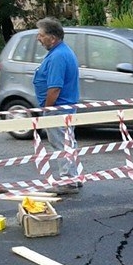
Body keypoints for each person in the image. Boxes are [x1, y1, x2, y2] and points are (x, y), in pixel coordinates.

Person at [32, 17, 81, 191]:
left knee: (61, 144)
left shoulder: (58, 57)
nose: (38, 38)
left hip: (58, 107)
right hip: (65, 106)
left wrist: (47, 108)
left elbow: (54, 88)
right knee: (68, 141)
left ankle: (68, 180)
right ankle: (74, 177)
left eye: (41, 35)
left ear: (52, 38)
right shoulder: (61, 52)